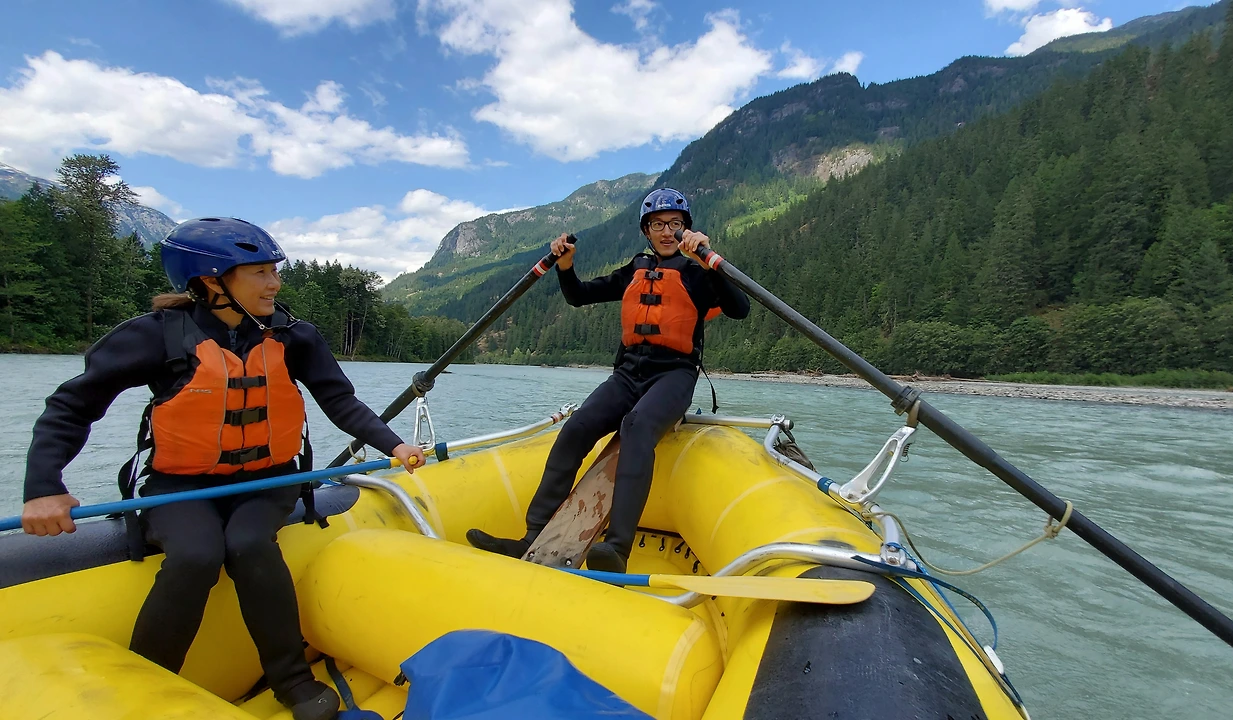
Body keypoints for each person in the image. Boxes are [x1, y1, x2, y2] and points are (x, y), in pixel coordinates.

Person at [19, 217, 426, 720]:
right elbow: (71, 407)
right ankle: (142, 683)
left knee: (249, 543)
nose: (275, 283)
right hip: (179, 486)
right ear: (211, 281)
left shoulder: (293, 336)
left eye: (274, 271)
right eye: (260, 272)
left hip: (267, 482)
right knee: (195, 555)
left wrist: (394, 444)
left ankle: (293, 681)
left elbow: (339, 400)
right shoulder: (154, 336)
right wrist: (44, 486)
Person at [466, 188, 749, 572]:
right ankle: (532, 538)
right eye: (658, 225)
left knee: (636, 426)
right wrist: (566, 266)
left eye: (675, 224)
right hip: (628, 374)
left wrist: (708, 259)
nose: (667, 232)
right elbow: (578, 296)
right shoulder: (634, 270)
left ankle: (616, 549)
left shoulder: (698, 274)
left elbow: (739, 308)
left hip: (674, 375)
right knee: (577, 426)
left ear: (686, 229)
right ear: (646, 231)